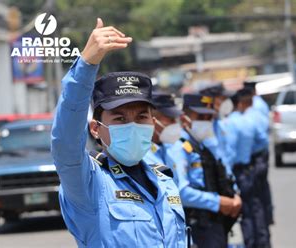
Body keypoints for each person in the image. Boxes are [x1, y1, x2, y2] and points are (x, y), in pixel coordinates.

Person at [51, 18, 186, 247]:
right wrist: (85, 66)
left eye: (141, 117)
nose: (132, 125)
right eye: (120, 119)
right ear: (96, 128)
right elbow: (65, 141)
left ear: (153, 123)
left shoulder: (164, 180)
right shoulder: (89, 184)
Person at [167, 93, 241, 248]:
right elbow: (181, 192)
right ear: (184, 117)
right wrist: (218, 202)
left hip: (214, 222)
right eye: (200, 117)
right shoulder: (179, 147)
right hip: (197, 226)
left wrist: (234, 195)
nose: (206, 122)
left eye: (209, 118)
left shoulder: (202, 144)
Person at [227, 88, 271, 248]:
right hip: (249, 167)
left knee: (245, 213)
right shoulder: (249, 120)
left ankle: (251, 243)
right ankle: (263, 242)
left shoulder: (230, 123)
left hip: (237, 171)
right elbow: (263, 141)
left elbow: (229, 155)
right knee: (256, 208)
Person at [244, 81, 274, 226]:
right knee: (262, 190)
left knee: (254, 197)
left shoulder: (251, 107)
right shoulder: (261, 103)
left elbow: (259, 135)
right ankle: (267, 218)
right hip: (262, 153)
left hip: (254, 155)